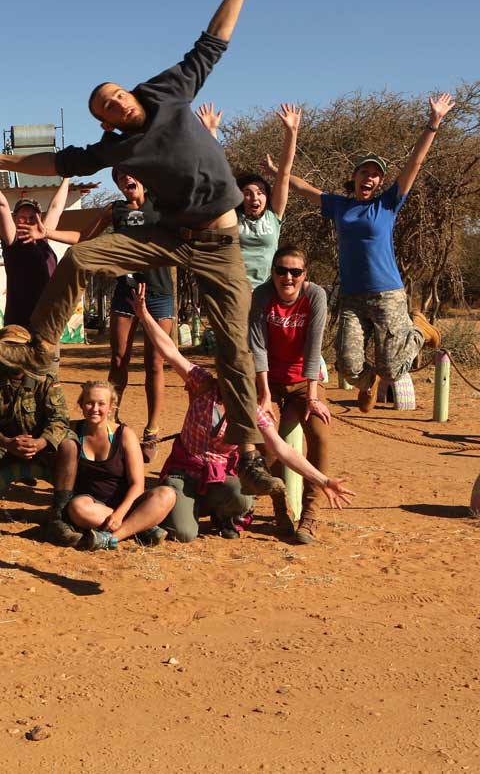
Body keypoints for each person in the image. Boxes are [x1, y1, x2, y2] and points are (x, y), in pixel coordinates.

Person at [0, 0, 296, 493]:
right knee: (82, 257)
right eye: (107, 105)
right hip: (170, 235)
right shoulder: (114, 147)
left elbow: (213, 42)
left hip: (220, 241)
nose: (117, 102)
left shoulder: (168, 90)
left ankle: (247, 451)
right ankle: (41, 346)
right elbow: (62, 162)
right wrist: (1, 161)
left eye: (116, 93)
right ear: (105, 122)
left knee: (233, 348)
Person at [128, 285, 353, 542]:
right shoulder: (202, 384)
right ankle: (174, 508)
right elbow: (169, 350)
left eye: (240, 376)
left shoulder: (251, 409)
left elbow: (283, 450)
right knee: (184, 533)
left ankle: (220, 514)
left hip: (219, 476)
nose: (233, 381)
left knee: (242, 497)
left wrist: (323, 481)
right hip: (186, 471)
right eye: (229, 373)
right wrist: (144, 315)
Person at [285, 94, 452, 412]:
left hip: (387, 294)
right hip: (352, 297)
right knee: (348, 366)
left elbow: (414, 164)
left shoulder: (387, 204)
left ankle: (419, 330)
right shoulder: (339, 205)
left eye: (375, 174)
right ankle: (369, 382)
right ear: (355, 176)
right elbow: (302, 188)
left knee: (393, 369)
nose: (369, 177)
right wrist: (278, 171)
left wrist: (433, 123)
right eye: (364, 172)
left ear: (379, 182)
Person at [0, 325, 79, 543]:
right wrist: (5, 442)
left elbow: (60, 419)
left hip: (41, 449)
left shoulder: (46, 376)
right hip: (2, 447)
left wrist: (42, 442)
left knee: (69, 444)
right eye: (7, 348)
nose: (12, 354)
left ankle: (59, 519)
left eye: (18, 348)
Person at [249, 245, 330, 544]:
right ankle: (280, 508)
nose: (288, 277)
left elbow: (314, 346)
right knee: (268, 441)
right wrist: (264, 395)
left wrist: (312, 396)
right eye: (281, 270)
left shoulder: (315, 296)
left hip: (303, 382)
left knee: (320, 435)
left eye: (295, 271)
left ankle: (310, 514)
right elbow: (257, 347)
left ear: (304, 274)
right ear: (272, 272)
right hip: (268, 380)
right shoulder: (261, 295)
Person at [101, 167, 178, 459]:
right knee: (118, 359)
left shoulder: (161, 202)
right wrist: (47, 231)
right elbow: (83, 235)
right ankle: (111, 421)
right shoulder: (115, 210)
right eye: (120, 177)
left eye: (131, 173)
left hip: (159, 294)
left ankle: (152, 431)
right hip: (127, 293)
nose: (126, 179)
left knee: (155, 363)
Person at [63, 380, 178, 551]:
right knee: (77, 507)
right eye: (89, 403)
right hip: (93, 507)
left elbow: (137, 485)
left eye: (101, 404)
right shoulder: (72, 431)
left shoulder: (124, 435)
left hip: (127, 504)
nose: (95, 409)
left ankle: (112, 538)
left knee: (167, 494)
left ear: (111, 407)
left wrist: (119, 515)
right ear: (81, 404)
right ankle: (141, 526)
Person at [198, 102, 299, 289]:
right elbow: (220, 175)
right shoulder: (231, 217)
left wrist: (291, 133)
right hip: (235, 290)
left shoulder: (273, 215)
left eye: (260, 193)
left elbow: (284, 174)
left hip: (267, 293)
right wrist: (211, 131)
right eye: (248, 193)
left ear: (267, 197)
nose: (255, 198)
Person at [0, 171, 77, 330]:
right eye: (22, 216)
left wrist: (67, 177)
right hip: (19, 319)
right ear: (14, 218)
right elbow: (1, 205)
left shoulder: (43, 237)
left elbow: (56, 208)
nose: (27, 220)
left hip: (46, 318)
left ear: (39, 218)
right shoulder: (12, 241)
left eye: (32, 217)